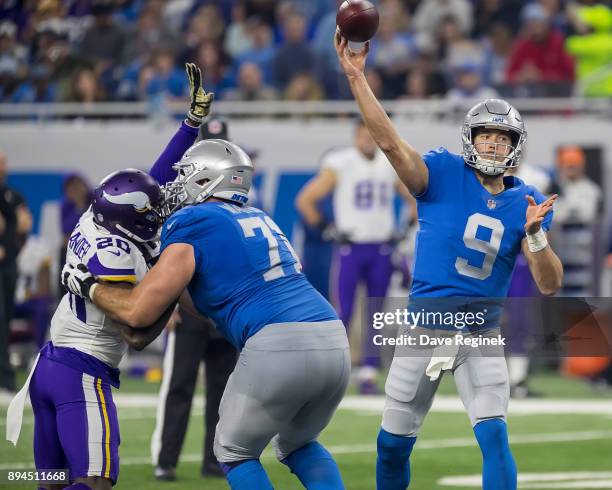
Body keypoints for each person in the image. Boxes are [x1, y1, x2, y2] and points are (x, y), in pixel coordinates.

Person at [334, 30, 563, 490]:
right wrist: (358, 79)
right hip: (424, 326)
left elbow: (550, 283)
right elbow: (392, 145)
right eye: (487, 136)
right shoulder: (441, 172)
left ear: (515, 145)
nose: (495, 145)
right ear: (470, 140)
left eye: (503, 138)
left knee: (495, 435)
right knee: (393, 444)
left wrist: (535, 237)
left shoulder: (529, 202)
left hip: (480, 334)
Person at [62, 142, 350, 489]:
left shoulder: (193, 219)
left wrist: (88, 284)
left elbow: (138, 313)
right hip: (333, 338)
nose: (176, 185)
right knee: (298, 444)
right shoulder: (260, 217)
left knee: (233, 450)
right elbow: (209, 301)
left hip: (277, 341)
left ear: (205, 181)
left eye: (184, 175)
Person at [5, 63, 213, 490]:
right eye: (149, 214)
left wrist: (190, 125)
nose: (156, 216)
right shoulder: (116, 254)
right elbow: (135, 332)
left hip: (49, 364)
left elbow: (151, 180)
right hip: (82, 372)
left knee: (54, 482)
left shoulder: (97, 216)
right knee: (95, 481)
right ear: (128, 221)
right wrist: (171, 290)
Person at [296, 119, 415, 394]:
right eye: (364, 136)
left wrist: (404, 228)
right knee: (344, 311)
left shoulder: (388, 163)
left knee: (375, 312)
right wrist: (327, 228)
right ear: (355, 137)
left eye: (372, 136)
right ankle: (333, 370)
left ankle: (369, 373)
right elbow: (305, 200)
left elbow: (414, 198)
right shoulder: (341, 162)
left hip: (382, 248)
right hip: (351, 246)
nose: (369, 141)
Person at [151, 115, 238, 482]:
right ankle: (166, 460)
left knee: (223, 389)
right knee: (179, 384)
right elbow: (163, 248)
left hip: (222, 307)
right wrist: (167, 300)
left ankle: (214, 459)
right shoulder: (180, 194)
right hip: (188, 304)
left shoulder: (240, 193)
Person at [0, 150, 32, 394]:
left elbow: (24, 225)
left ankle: (6, 377)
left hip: (8, 265)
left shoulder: (12, 195)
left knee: (5, 318)